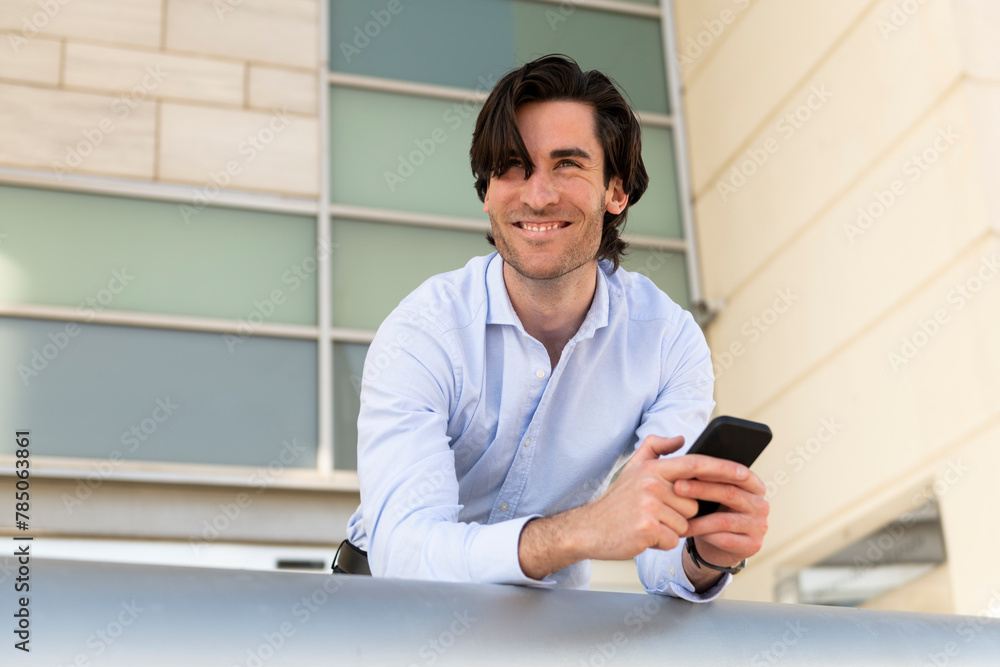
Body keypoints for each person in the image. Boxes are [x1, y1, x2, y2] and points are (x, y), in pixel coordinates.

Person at [341, 55, 768, 599]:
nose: (537, 195)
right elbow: (406, 552)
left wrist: (706, 554)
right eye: (512, 167)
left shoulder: (667, 343)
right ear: (488, 192)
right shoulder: (424, 332)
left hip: (541, 625)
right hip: (384, 620)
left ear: (616, 191)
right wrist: (584, 530)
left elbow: (664, 551)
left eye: (567, 164)